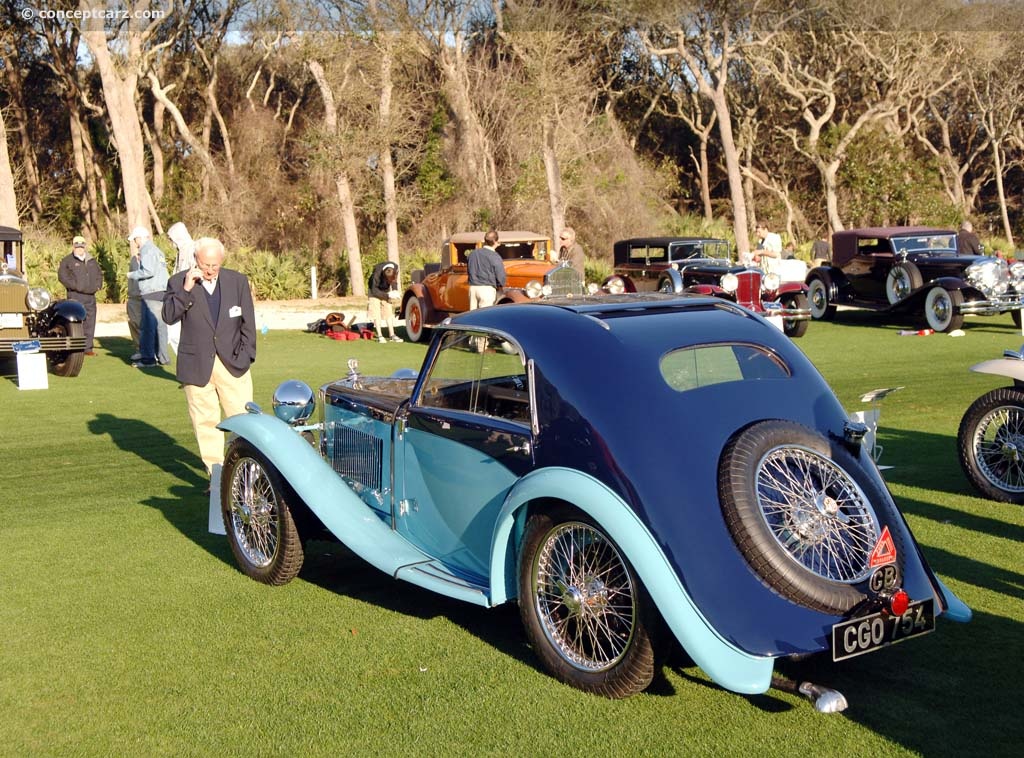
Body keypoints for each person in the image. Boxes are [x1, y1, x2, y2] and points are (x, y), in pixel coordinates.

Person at [162, 237, 256, 491]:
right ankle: (217, 480)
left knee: (244, 422)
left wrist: (247, 355)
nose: (210, 269)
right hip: (196, 366)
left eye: (215, 264)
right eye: (205, 264)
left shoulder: (237, 281)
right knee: (205, 424)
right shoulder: (178, 282)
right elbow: (169, 316)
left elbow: (248, 323)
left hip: (233, 364)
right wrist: (186, 289)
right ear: (196, 260)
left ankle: (247, 476)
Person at [126, 226, 170, 367]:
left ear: (140, 237)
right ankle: (163, 357)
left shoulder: (146, 250)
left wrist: (132, 275)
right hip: (161, 292)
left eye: (135, 239)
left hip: (150, 292)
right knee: (161, 327)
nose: (135, 242)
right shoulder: (158, 251)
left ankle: (148, 359)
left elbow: (148, 271)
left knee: (147, 327)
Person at [57, 235, 103, 356]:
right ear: (73, 246)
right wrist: (76, 286)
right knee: (75, 322)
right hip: (75, 296)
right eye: (77, 246)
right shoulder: (67, 260)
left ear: (85, 246)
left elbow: (99, 275)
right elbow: (62, 277)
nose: (79, 248)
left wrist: (98, 286)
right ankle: (75, 348)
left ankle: (88, 349)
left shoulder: (92, 260)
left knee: (90, 322)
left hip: (90, 297)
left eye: (81, 246)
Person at [166, 221, 196, 355]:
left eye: (171, 238)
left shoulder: (193, 249)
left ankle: (194, 366)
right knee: (173, 333)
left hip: (190, 297)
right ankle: (188, 364)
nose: (171, 242)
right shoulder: (181, 251)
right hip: (178, 297)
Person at [467, 230, 505, 310]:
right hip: (486, 290)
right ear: (495, 241)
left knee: (472, 316)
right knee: (485, 315)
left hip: (473, 288)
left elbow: (469, 270)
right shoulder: (495, 256)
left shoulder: (472, 254)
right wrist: (500, 287)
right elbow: (500, 275)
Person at [367, 261, 403, 343]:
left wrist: (394, 291)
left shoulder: (395, 267)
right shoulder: (376, 274)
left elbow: (394, 281)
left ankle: (392, 335)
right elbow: (374, 290)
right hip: (374, 291)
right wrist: (388, 296)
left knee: (388, 311)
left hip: (386, 290)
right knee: (376, 312)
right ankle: (380, 336)